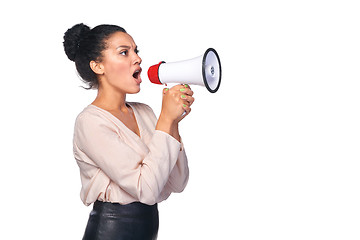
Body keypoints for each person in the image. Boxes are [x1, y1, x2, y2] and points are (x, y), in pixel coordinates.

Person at [63, 23, 194, 240]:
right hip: (110, 231)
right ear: (98, 66)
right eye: (124, 52)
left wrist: (173, 124)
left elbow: (177, 182)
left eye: (136, 51)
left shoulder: (145, 112)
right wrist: (166, 119)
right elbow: (147, 189)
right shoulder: (91, 122)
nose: (137, 58)